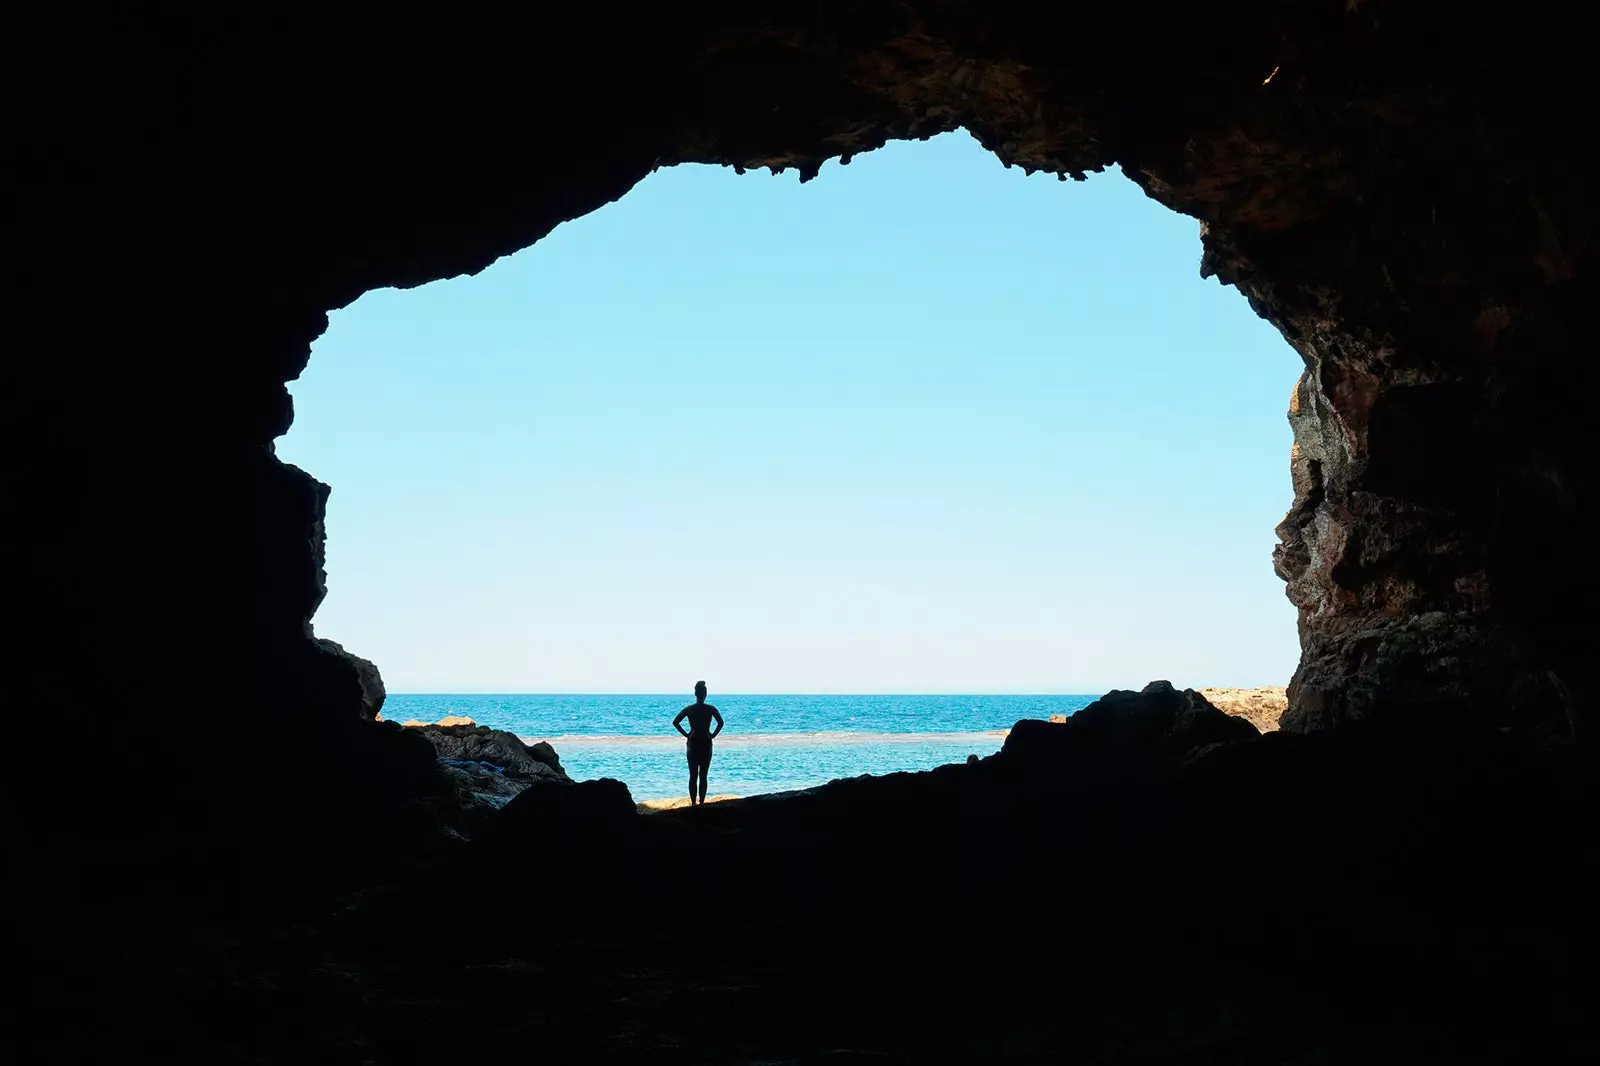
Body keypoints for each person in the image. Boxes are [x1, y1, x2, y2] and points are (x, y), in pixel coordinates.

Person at [672, 680, 723, 806]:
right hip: (706, 743)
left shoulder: (689, 709)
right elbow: (721, 723)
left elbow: (675, 722)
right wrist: (713, 735)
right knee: (703, 775)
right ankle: (702, 803)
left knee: (693, 775)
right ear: (705, 694)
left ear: (695, 694)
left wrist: (687, 734)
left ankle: (694, 803)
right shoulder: (711, 709)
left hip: (693, 743)